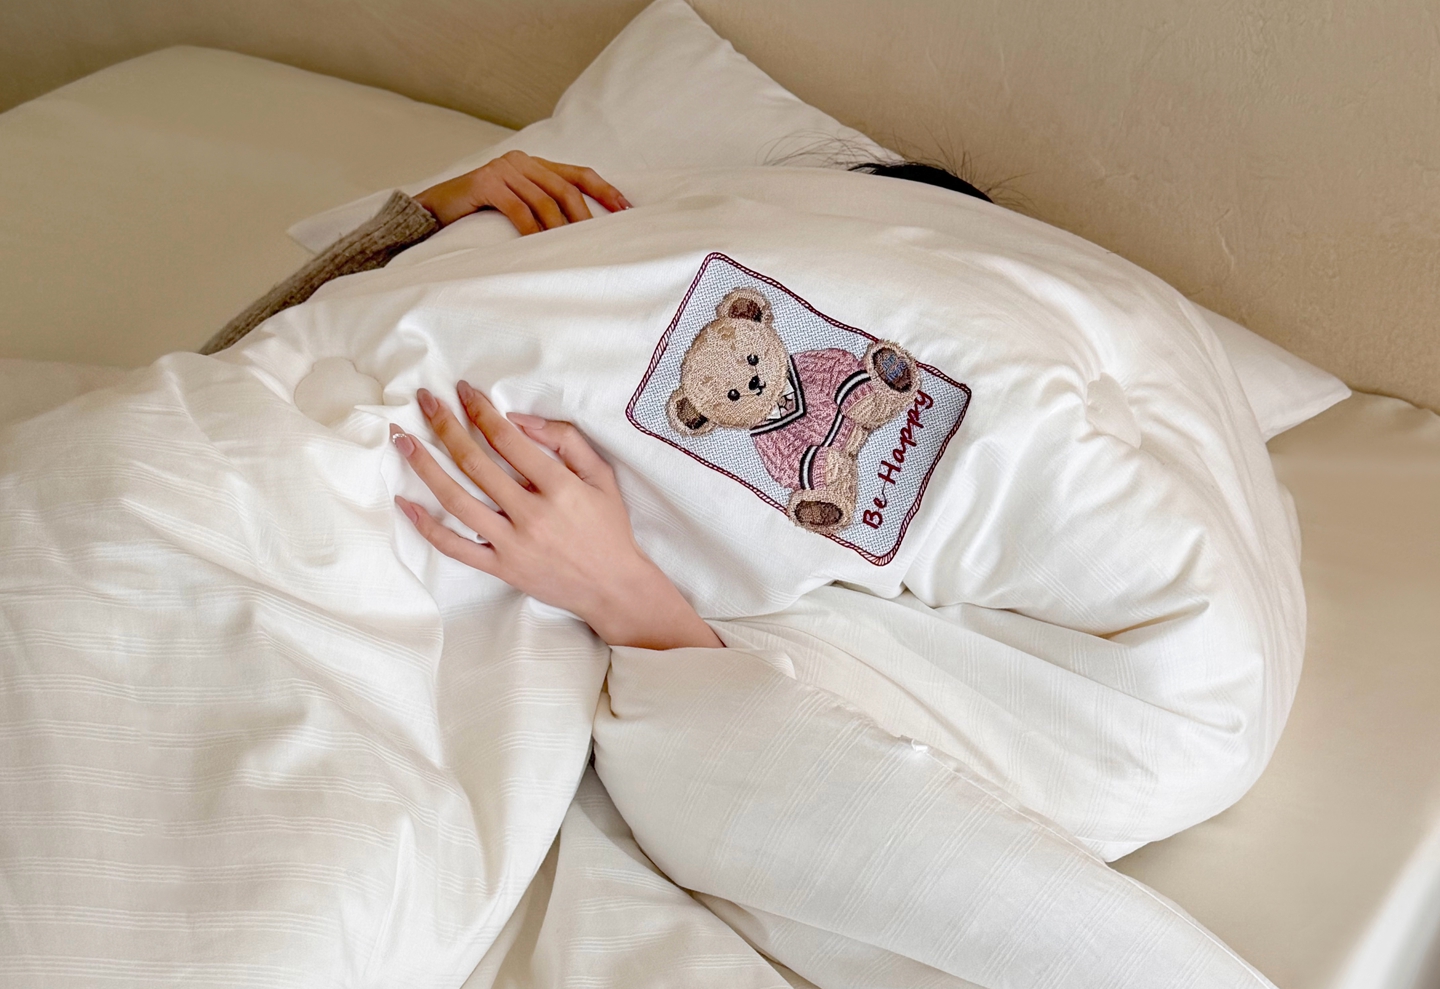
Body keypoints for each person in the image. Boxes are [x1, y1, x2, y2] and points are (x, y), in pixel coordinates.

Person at [203, 151, 989, 653]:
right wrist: (424, 219)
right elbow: (233, 364)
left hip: (329, 563)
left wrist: (617, 588)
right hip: (219, 459)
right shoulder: (617, 217)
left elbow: (755, 718)